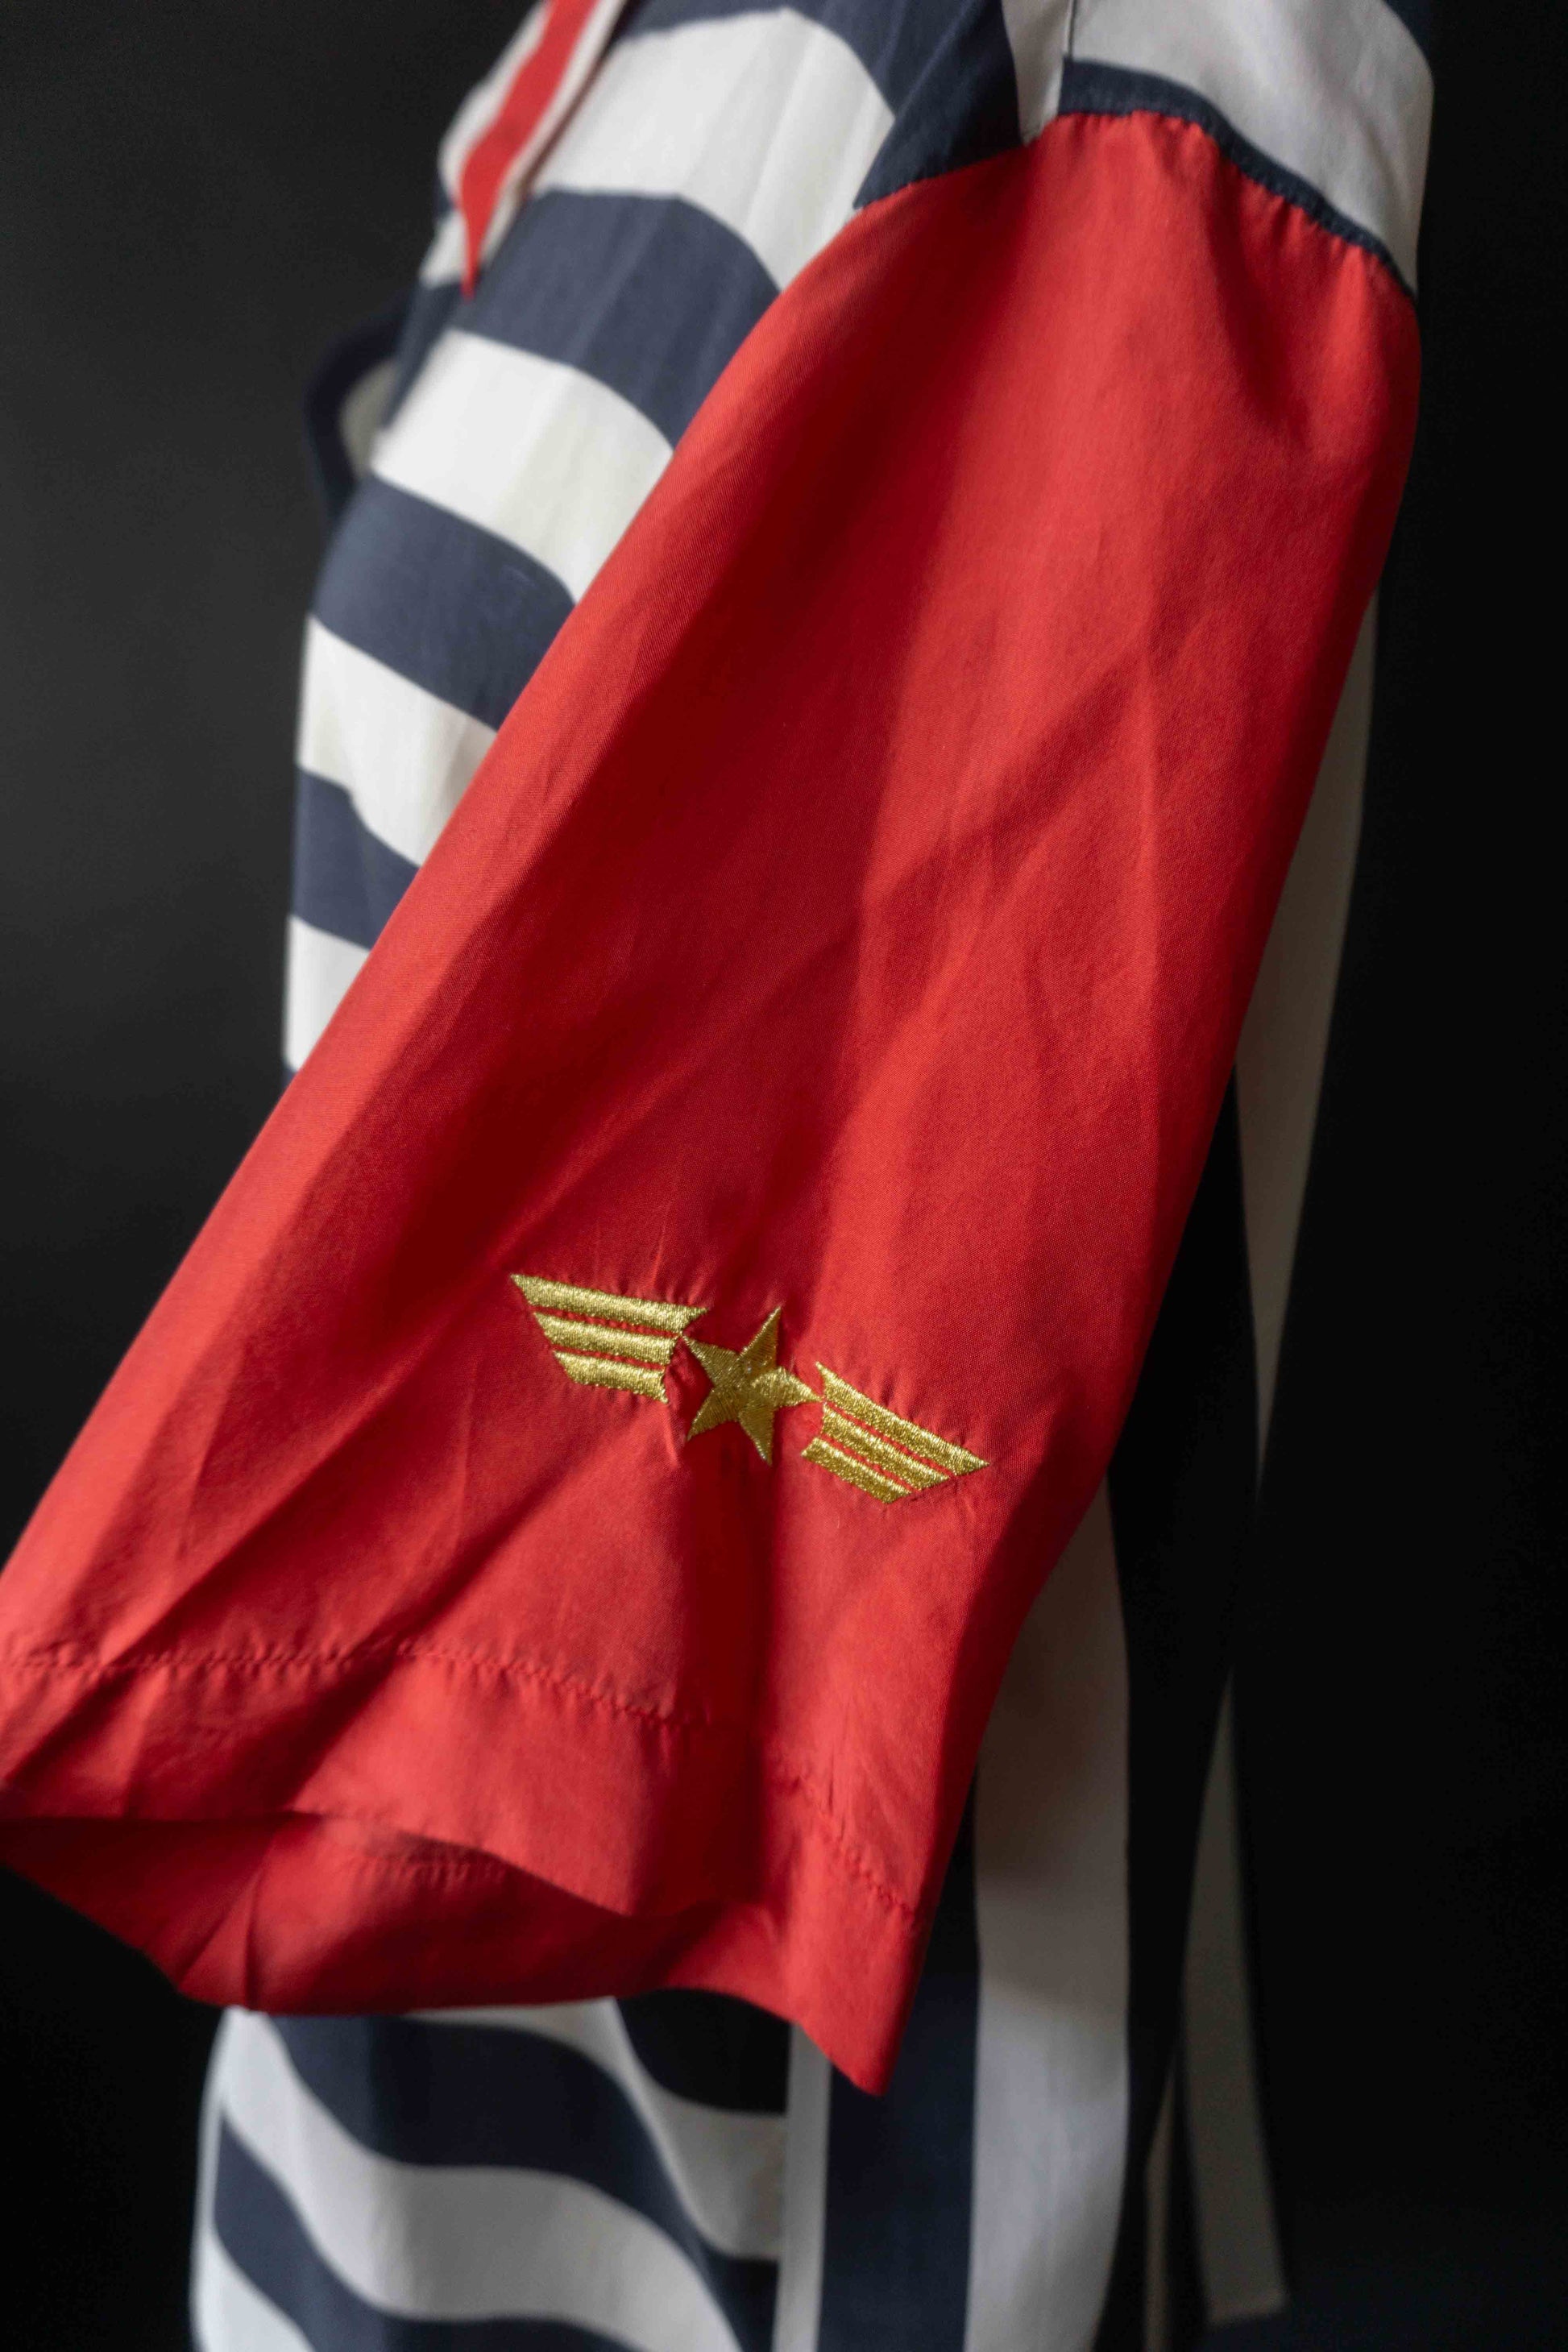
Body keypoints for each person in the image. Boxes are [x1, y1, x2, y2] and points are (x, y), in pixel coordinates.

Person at [0, 2, 1433, 2344]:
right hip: (390, 2052)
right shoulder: (605, 42)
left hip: (780, 2130)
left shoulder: (1112, 80)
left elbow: (875, 1445)